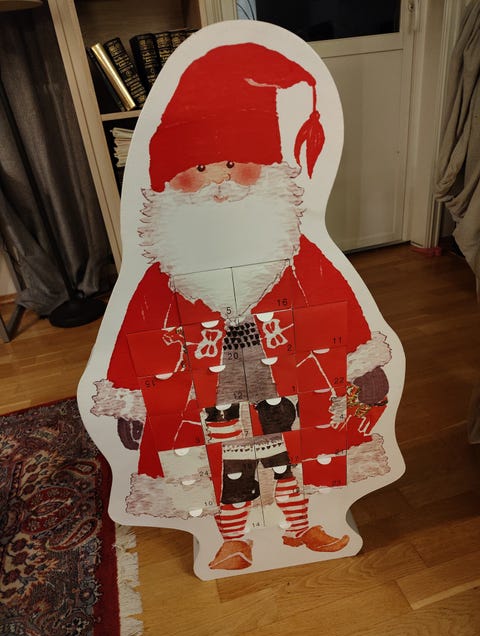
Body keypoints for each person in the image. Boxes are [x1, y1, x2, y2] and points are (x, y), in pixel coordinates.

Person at [92, 43, 391, 571]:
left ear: (265, 170)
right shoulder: (167, 270)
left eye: (234, 165)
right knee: (225, 462)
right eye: (199, 169)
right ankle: (232, 539)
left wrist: (364, 364)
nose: (220, 182)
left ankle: (302, 524)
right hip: (205, 387)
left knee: (292, 451)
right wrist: (132, 399)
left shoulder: (295, 248)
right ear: (169, 185)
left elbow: (335, 297)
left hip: (292, 372)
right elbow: (137, 325)